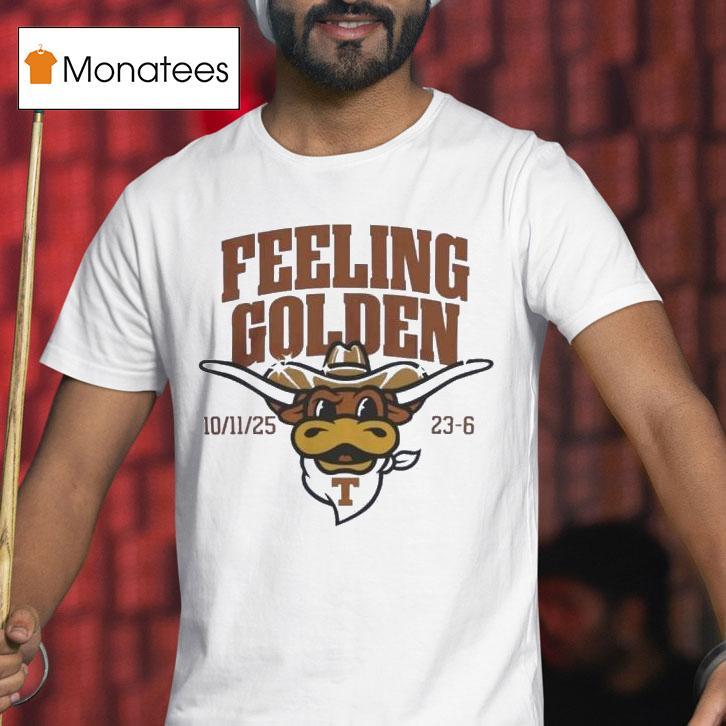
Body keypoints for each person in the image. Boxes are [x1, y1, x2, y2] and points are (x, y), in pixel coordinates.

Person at [2, 0, 725, 722]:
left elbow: (664, 412)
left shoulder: (524, 181)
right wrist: (14, 624)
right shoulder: (162, 207)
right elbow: (70, 472)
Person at [538, 520, 699, 725]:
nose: (550, 626)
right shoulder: (545, 701)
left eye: (567, 606)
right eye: (543, 610)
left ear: (629, 617)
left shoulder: (702, 699)